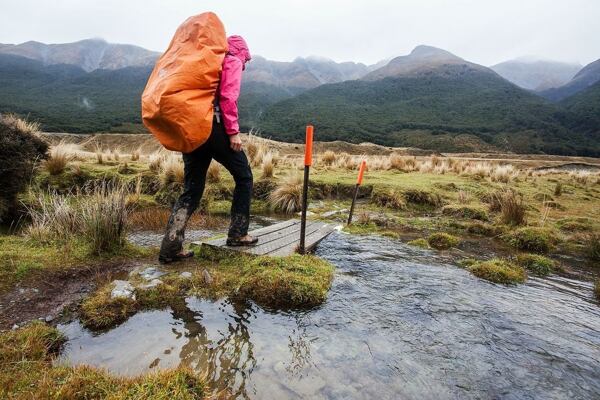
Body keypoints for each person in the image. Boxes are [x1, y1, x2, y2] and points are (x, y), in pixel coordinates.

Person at [158, 35, 257, 264]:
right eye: (247, 60)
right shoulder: (231, 59)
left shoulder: (207, 61)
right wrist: (233, 131)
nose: (245, 65)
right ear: (243, 52)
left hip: (193, 129)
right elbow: (227, 97)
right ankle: (238, 234)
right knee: (244, 177)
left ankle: (171, 247)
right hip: (215, 128)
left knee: (192, 189)